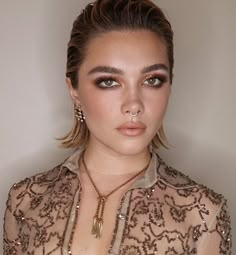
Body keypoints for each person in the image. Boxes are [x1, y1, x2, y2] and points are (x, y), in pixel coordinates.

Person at [3, 0, 232, 254]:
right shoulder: (25, 201)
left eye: (152, 80)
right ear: (74, 90)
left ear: (169, 85)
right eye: (109, 81)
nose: (133, 104)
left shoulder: (202, 214)